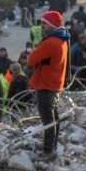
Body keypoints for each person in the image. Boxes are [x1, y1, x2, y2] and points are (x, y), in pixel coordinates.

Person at [27, 10, 70, 159]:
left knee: (48, 119)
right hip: (55, 83)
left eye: (44, 24)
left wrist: (36, 49)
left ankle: (48, 151)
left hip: (46, 84)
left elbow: (31, 60)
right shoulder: (62, 39)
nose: (42, 26)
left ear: (51, 25)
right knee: (54, 117)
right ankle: (52, 145)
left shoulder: (51, 42)